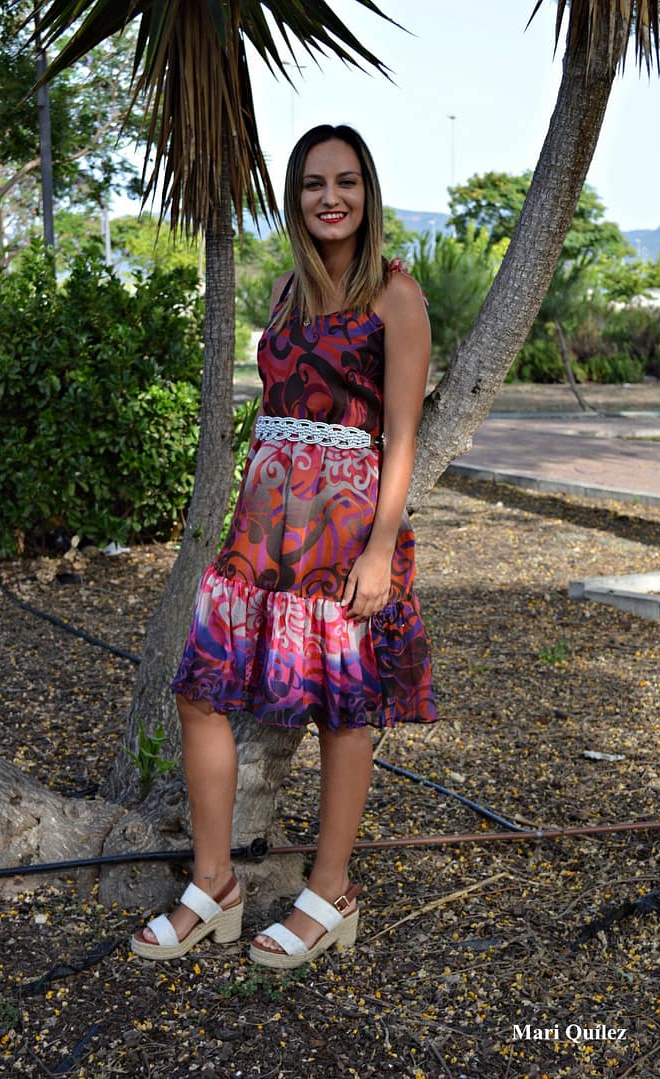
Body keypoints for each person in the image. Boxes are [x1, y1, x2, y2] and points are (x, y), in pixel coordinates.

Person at [131, 123, 438, 969]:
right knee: (199, 691)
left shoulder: (395, 295)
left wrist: (379, 550)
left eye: (345, 181)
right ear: (294, 196)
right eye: (312, 183)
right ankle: (213, 884)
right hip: (261, 531)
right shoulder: (283, 291)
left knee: (343, 709)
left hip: (344, 531)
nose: (329, 197)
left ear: (367, 192)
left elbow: (402, 437)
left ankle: (329, 892)